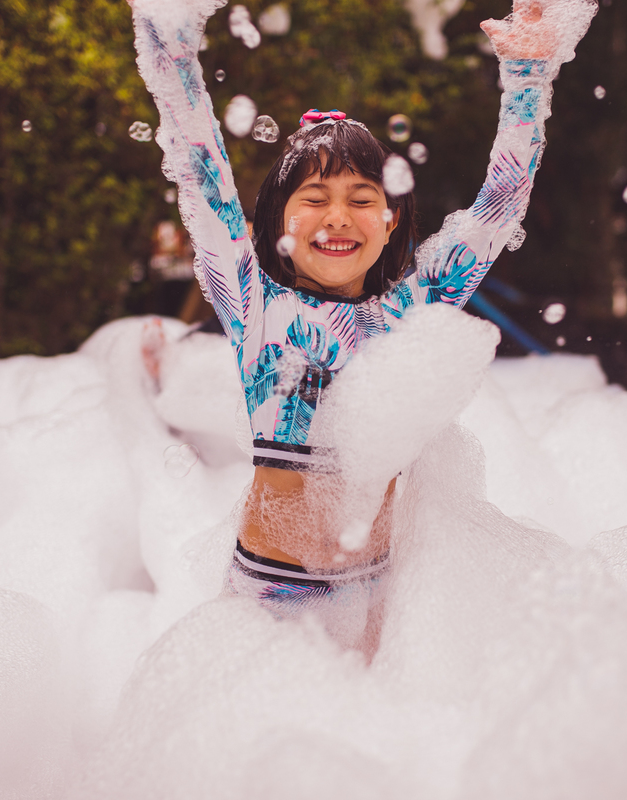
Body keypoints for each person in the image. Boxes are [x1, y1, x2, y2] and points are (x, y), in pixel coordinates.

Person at [130, 0, 588, 649]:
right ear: (280, 220)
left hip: (370, 606)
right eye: (313, 199)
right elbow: (202, 169)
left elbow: (497, 210)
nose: (338, 216)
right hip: (264, 610)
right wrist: (171, 41)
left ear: (391, 220)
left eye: (362, 200)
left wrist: (528, 79)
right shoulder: (257, 304)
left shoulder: (409, 312)